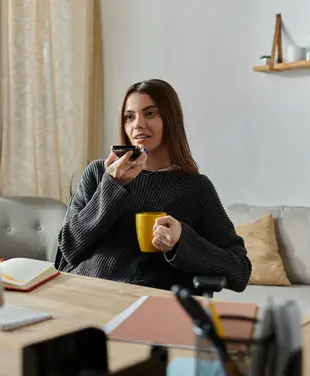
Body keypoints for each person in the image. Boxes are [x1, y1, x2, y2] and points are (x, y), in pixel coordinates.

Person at [56, 79, 251, 293]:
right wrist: (112, 186)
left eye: (150, 113)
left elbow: (240, 271)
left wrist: (182, 242)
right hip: (85, 293)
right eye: (129, 117)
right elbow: (67, 251)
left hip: (149, 303)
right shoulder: (98, 173)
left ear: (170, 120)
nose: (137, 125)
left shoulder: (195, 188)